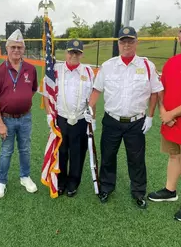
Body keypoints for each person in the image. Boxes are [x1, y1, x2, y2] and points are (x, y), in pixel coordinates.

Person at [87, 26, 163, 208]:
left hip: (136, 122)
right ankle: (106, 187)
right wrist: (92, 115)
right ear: (118, 44)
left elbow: (155, 92)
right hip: (112, 120)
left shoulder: (147, 65)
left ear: (137, 43)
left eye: (130, 41)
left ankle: (138, 192)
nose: (126, 45)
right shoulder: (108, 66)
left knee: (136, 160)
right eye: (123, 41)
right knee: (108, 156)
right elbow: (97, 91)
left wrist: (150, 116)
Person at [43, 39, 95, 197]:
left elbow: (92, 97)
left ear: (81, 54)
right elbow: (47, 94)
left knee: (78, 153)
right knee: (61, 152)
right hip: (62, 119)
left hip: (80, 120)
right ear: (66, 53)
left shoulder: (88, 72)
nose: (74, 55)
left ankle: (73, 183)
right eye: (71, 52)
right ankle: (61, 182)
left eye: (77, 52)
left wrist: (93, 118)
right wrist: (48, 115)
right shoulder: (56, 70)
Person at [0, 29, 38, 198]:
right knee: (6, 151)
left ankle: (25, 176)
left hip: (26, 118)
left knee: (25, 149)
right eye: (13, 47)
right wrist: (0, 123)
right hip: (7, 119)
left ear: (23, 49)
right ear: (7, 48)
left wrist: (21, 102)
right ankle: (1, 181)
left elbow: (32, 90)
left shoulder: (31, 69)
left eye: (19, 47)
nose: (16, 50)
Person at [147, 31, 181, 221]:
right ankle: (170, 190)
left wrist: (171, 113)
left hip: (174, 117)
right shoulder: (172, 62)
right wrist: (163, 112)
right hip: (171, 122)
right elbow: (161, 90)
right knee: (174, 155)